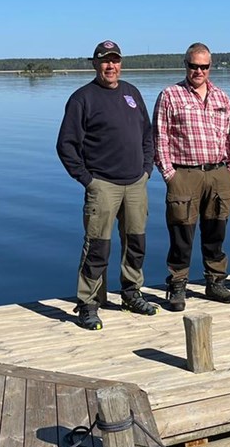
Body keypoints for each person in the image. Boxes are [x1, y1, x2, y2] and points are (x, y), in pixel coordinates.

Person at [56, 39, 158, 330]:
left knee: (136, 242)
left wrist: (147, 169)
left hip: (136, 183)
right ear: (95, 64)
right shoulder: (82, 98)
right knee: (97, 246)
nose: (110, 66)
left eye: (115, 60)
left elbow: (147, 135)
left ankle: (131, 293)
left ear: (120, 63)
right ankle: (88, 303)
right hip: (102, 185)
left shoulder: (132, 93)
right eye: (105, 61)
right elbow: (66, 145)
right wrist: (88, 180)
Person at [152, 43, 230, 311]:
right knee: (181, 234)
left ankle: (215, 282)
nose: (198, 71)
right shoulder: (170, 95)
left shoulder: (222, 97)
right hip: (184, 174)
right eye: (193, 66)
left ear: (210, 67)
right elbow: (160, 138)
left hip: (218, 173)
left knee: (216, 232)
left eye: (204, 66)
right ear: (186, 65)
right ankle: (178, 285)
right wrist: (169, 174)